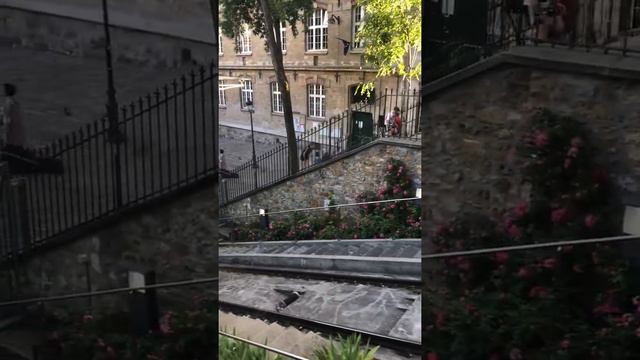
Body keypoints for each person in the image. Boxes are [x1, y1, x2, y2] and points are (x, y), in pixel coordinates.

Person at [1, 83, 26, 148]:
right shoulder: (15, 103)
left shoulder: (8, 103)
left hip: (12, 137)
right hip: (19, 136)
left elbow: (7, 120)